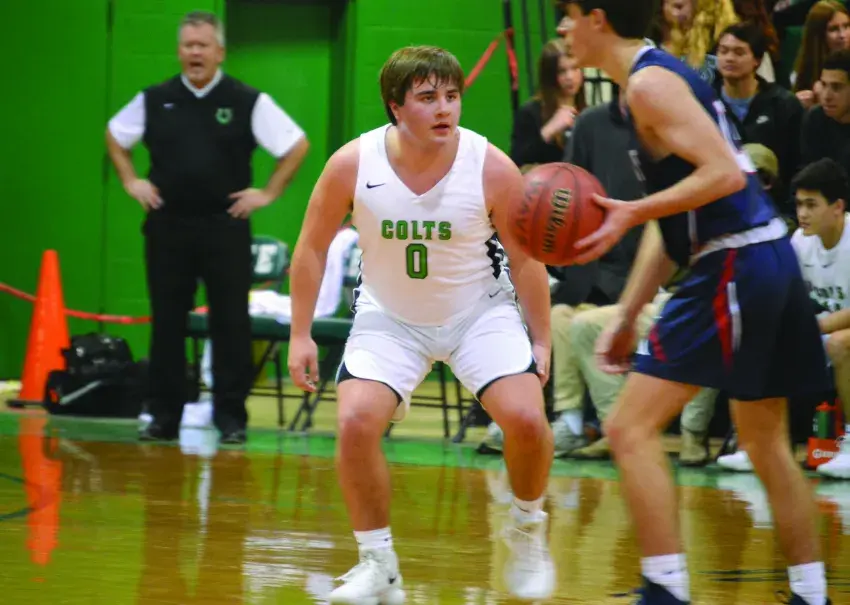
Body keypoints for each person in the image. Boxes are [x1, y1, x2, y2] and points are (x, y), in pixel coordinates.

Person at [562, 1, 832, 604]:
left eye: (568, 15)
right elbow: (674, 224)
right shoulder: (653, 79)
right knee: (763, 441)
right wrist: (627, 315)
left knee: (628, 427)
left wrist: (632, 210)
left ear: (598, 18)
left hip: (735, 260)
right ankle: (811, 595)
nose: (561, 28)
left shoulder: (650, 86)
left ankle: (665, 591)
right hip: (764, 255)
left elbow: (724, 176)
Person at [287, 46, 555, 602]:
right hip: (390, 317)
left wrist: (543, 337)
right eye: (428, 97)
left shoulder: (491, 165)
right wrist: (300, 333)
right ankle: (377, 563)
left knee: (527, 420)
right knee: (355, 421)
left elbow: (526, 259)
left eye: (452, 96)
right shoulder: (352, 163)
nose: (444, 108)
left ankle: (528, 529)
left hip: (479, 312)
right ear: (395, 106)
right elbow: (311, 247)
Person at [106, 11, 309, 444]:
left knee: (231, 323)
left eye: (202, 45)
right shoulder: (155, 98)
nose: (194, 53)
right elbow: (115, 136)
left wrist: (267, 193)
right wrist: (130, 180)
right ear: (179, 51)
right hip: (168, 226)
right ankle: (164, 417)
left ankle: (231, 418)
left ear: (220, 52)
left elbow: (296, 145)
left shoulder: (246, 100)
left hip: (224, 227)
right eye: (188, 45)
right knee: (167, 323)